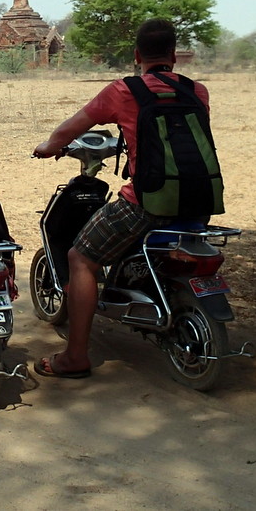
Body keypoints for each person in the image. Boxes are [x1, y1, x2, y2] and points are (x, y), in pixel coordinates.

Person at [31, 19, 212, 379]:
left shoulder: (124, 90)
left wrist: (49, 147)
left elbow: (71, 128)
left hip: (146, 204)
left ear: (137, 55)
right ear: (174, 55)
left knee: (80, 258)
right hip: (200, 200)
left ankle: (75, 357)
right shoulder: (198, 91)